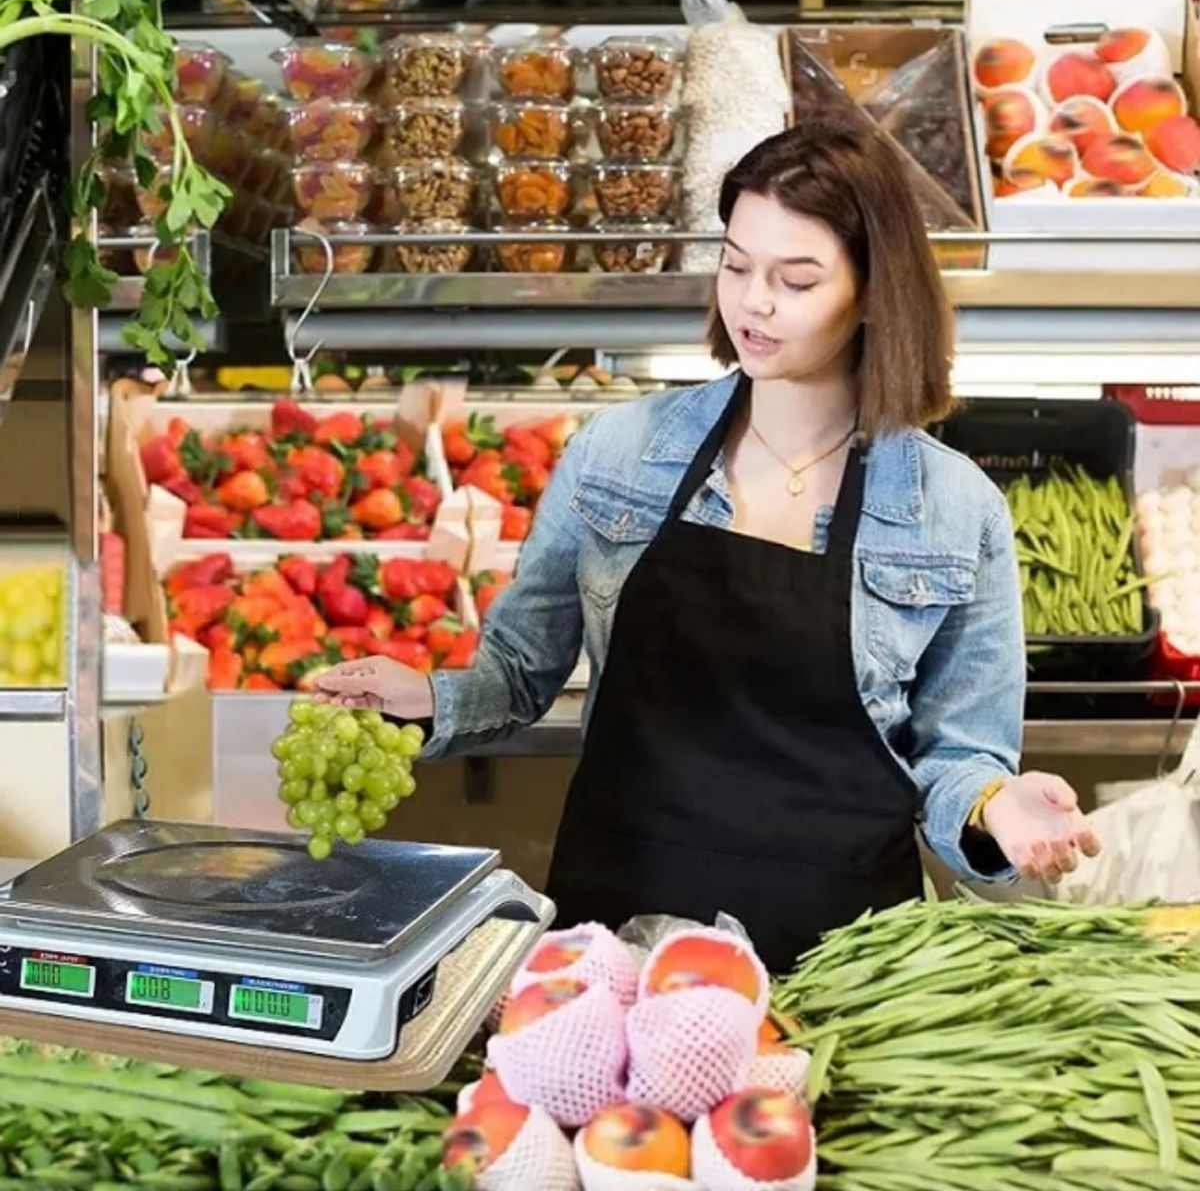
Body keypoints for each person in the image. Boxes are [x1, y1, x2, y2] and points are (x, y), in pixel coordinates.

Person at [315, 116, 1101, 970]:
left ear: (875, 291)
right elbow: (521, 671)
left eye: (795, 281)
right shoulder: (619, 456)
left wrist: (997, 806)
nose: (754, 303)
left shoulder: (954, 508)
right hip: (620, 949)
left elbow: (955, 759)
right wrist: (426, 697)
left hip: (844, 962)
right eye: (735, 266)